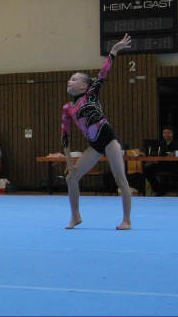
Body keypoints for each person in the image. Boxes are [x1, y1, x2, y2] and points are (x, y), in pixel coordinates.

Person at [61, 33, 133, 230]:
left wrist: (114, 50)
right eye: (69, 79)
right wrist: (69, 163)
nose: (69, 81)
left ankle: (126, 220)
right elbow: (65, 136)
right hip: (94, 145)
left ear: (84, 86)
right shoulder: (67, 108)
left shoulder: (91, 93)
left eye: (74, 79)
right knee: (71, 177)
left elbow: (103, 73)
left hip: (108, 138)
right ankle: (75, 216)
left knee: (120, 179)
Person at [143, 126, 178, 196]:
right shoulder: (160, 143)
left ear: (172, 134)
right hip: (162, 164)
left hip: (174, 165)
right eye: (164, 133)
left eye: (169, 133)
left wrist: (174, 153)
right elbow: (154, 153)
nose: (166, 134)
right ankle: (158, 190)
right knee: (147, 170)